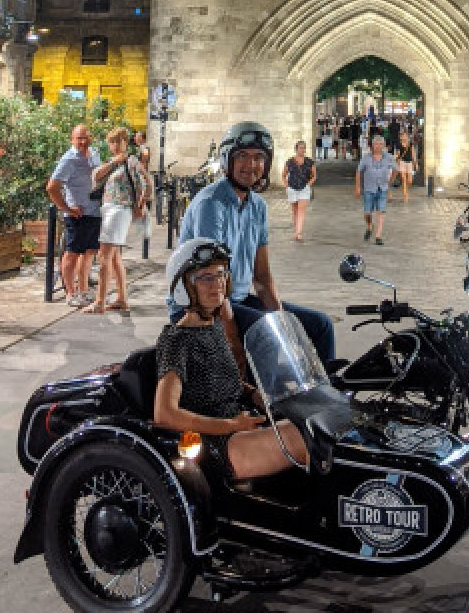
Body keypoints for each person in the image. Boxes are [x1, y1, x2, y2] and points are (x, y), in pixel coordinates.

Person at [169, 121, 336, 363]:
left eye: (259, 157)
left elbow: (262, 277)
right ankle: (261, 400)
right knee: (266, 333)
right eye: (242, 157)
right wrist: (234, 342)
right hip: (197, 305)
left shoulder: (257, 206)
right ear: (227, 160)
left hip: (235, 300)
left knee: (320, 326)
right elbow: (211, 280)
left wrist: (284, 321)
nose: (251, 165)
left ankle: (321, 398)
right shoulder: (211, 204)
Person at [154, 239, 308, 481]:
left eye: (221, 274)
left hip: (239, 422)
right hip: (216, 444)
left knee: (316, 418)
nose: (217, 284)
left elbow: (223, 382)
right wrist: (231, 425)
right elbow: (165, 414)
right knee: (305, 436)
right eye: (206, 277)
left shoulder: (215, 325)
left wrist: (253, 393)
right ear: (185, 286)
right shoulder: (177, 340)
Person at [86, 127, 154, 314]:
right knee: (115, 258)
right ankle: (122, 299)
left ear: (126, 142)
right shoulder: (113, 162)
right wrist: (113, 162)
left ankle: (100, 302)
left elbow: (148, 182)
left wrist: (141, 204)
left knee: (104, 257)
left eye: (118, 141)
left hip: (119, 209)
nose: (115, 145)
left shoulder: (131, 161)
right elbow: (95, 176)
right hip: (109, 209)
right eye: (112, 142)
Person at [47, 124, 102, 307]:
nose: (83, 141)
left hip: (95, 211)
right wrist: (67, 208)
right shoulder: (69, 159)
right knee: (71, 253)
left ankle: (83, 291)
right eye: (79, 138)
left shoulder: (94, 153)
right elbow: (52, 187)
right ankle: (70, 293)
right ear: (72, 139)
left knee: (88, 253)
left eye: (86, 137)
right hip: (77, 215)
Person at [355, 134, 397, 245]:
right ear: (372, 146)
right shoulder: (366, 158)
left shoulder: (389, 157)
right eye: (376, 144)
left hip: (383, 188)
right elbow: (359, 172)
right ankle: (369, 226)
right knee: (367, 212)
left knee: (381, 211)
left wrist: (390, 182)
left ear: (383, 146)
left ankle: (378, 236)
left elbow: (395, 170)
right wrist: (358, 187)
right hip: (369, 188)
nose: (378, 146)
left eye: (380, 144)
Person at [282, 140, 317, 242]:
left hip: (304, 189)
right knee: (295, 211)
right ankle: (296, 231)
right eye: (300, 148)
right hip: (292, 188)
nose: (302, 150)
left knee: (301, 210)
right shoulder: (290, 161)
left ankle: (299, 233)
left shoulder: (310, 162)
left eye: (304, 148)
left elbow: (315, 175)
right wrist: (286, 185)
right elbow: (284, 175)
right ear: (296, 149)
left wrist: (308, 184)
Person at [396, 131, 416, 202]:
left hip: (409, 163)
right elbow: (398, 154)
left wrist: (415, 163)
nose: (404, 137)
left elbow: (413, 154)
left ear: (407, 137)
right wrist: (395, 158)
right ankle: (405, 195)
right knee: (404, 179)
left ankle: (406, 190)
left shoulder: (410, 144)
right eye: (403, 136)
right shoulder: (399, 144)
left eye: (406, 136)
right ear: (401, 137)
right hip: (402, 162)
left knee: (410, 180)